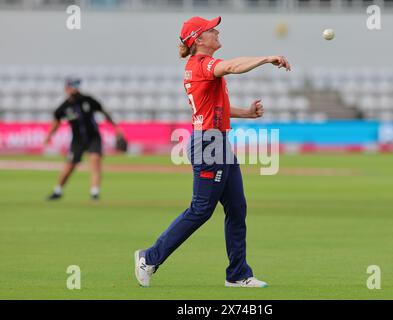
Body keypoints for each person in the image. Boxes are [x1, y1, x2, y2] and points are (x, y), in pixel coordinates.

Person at [134, 16, 291, 288]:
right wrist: (266, 58)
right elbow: (231, 66)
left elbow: (215, 107)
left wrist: (246, 113)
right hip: (208, 144)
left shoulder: (203, 67)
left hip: (217, 142)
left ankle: (238, 274)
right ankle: (149, 257)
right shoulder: (201, 65)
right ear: (198, 40)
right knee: (201, 210)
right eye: (210, 29)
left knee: (237, 208)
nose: (217, 31)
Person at [44, 77, 122, 200]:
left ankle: (94, 192)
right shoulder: (64, 107)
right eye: (72, 87)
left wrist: (115, 127)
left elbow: (103, 111)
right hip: (78, 140)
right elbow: (56, 121)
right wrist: (49, 136)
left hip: (93, 137)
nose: (74, 90)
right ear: (66, 89)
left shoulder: (87, 100)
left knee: (95, 161)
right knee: (70, 166)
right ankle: (58, 190)